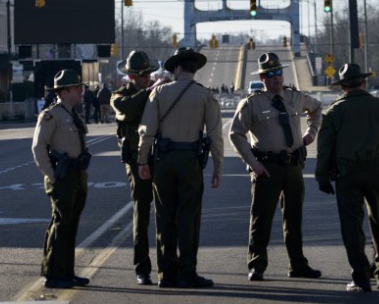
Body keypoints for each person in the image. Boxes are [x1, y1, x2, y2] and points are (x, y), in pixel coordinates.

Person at [229, 52, 324, 282]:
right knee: (261, 219)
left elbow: (317, 108)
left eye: (278, 72)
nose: (276, 78)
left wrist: (311, 133)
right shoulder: (252, 103)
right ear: (262, 77)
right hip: (267, 168)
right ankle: (257, 265)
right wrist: (253, 164)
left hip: (293, 166)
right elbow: (236, 134)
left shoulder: (294, 97)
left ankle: (297, 264)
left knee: (294, 218)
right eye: (270, 74)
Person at [136, 47, 224, 289]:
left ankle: (166, 274)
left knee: (164, 216)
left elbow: (147, 132)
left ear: (176, 67)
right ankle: (187, 272)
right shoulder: (205, 95)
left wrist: (143, 161)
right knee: (189, 218)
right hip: (190, 162)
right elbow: (216, 136)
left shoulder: (159, 93)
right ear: (194, 69)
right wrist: (218, 167)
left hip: (163, 161)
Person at [315, 63, 379, 292]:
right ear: (363, 82)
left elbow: (325, 149)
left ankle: (361, 277)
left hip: (347, 176)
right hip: (377, 173)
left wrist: (322, 177)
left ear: (343, 86)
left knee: (352, 227)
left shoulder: (334, 112)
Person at [31, 69, 92, 290]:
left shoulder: (72, 114)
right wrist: (51, 174)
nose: (80, 91)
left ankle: (67, 272)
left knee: (71, 226)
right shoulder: (52, 115)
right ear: (64, 91)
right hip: (62, 176)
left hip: (77, 174)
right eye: (77, 88)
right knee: (61, 225)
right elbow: (38, 146)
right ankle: (53, 273)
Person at [110, 50, 161, 286]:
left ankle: (167, 266)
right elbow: (128, 109)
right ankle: (142, 267)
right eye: (141, 76)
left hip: (159, 157)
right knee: (141, 214)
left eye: (148, 75)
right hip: (134, 159)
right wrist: (150, 92)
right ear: (131, 76)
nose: (146, 79)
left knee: (164, 212)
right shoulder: (119, 96)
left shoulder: (156, 92)